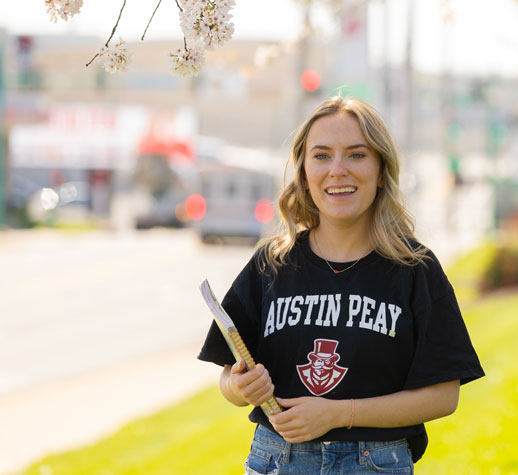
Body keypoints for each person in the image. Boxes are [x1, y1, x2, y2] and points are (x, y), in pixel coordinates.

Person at [198, 96, 484, 474]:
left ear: (381, 169)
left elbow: (444, 396)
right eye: (321, 156)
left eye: (356, 155)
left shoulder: (414, 269)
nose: (337, 170)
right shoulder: (272, 264)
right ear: (302, 172)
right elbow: (227, 378)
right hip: (276, 459)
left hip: (375, 464)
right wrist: (240, 388)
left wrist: (338, 414)